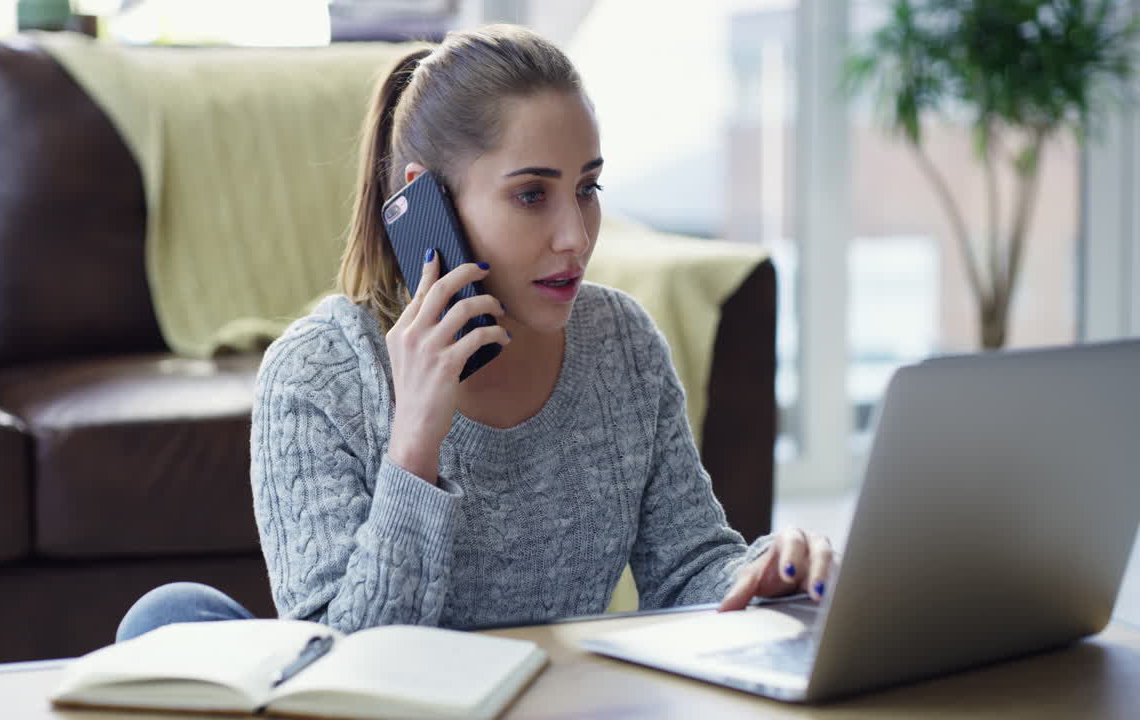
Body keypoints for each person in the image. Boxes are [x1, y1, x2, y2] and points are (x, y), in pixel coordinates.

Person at [116, 24, 834, 643]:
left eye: (587, 188)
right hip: (387, 703)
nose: (574, 236)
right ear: (427, 201)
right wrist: (415, 444)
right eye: (531, 195)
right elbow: (343, 659)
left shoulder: (620, 341)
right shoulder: (316, 377)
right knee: (172, 619)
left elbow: (687, 569)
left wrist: (764, 576)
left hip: (554, 699)